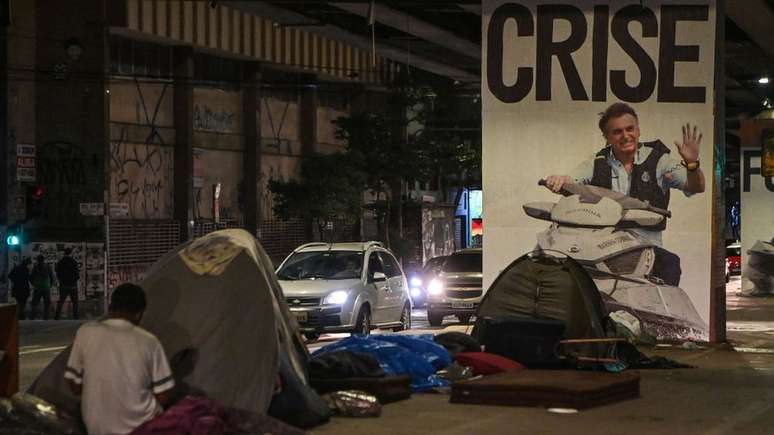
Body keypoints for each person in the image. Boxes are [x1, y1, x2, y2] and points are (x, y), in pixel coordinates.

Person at [544, 102, 706, 285]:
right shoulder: (597, 162)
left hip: (645, 250)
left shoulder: (660, 160)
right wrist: (559, 180)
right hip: (604, 250)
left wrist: (692, 165)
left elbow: (696, 187)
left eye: (630, 129)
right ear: (607, 136)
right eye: (617, 131)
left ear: (638, 130)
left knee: (670, 263)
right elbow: (572, 180)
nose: (625, 135)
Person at [64, 283, 175, 435]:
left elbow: (74, 387)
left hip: (97, 428)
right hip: (142, 427)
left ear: (110, 308)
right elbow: (163, 396)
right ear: (139, 313)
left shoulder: (85, 332)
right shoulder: (150, 341)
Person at [55, 248, 80, 320]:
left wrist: (62, 280)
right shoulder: (74, 262)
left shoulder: (60, 262)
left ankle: (57, 317)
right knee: (75, 302)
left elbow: (58, 274)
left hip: (63, 285)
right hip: (73, 286)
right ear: (71, 253)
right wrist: (73, 280)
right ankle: (76, 318)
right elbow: (77, 275)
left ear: (64, 253)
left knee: (61, 301)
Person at [29, 255, 55, 320]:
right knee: (47, 303)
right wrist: (50, 285)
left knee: (35, 303)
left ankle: (32, 317)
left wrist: (34, 284)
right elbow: (52, 278)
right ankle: (46, 318)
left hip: (37, 288)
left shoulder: (35, 268)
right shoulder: (48, 267)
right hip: (46, 287)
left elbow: (31, 278)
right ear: (44, 260)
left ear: (37, 260)